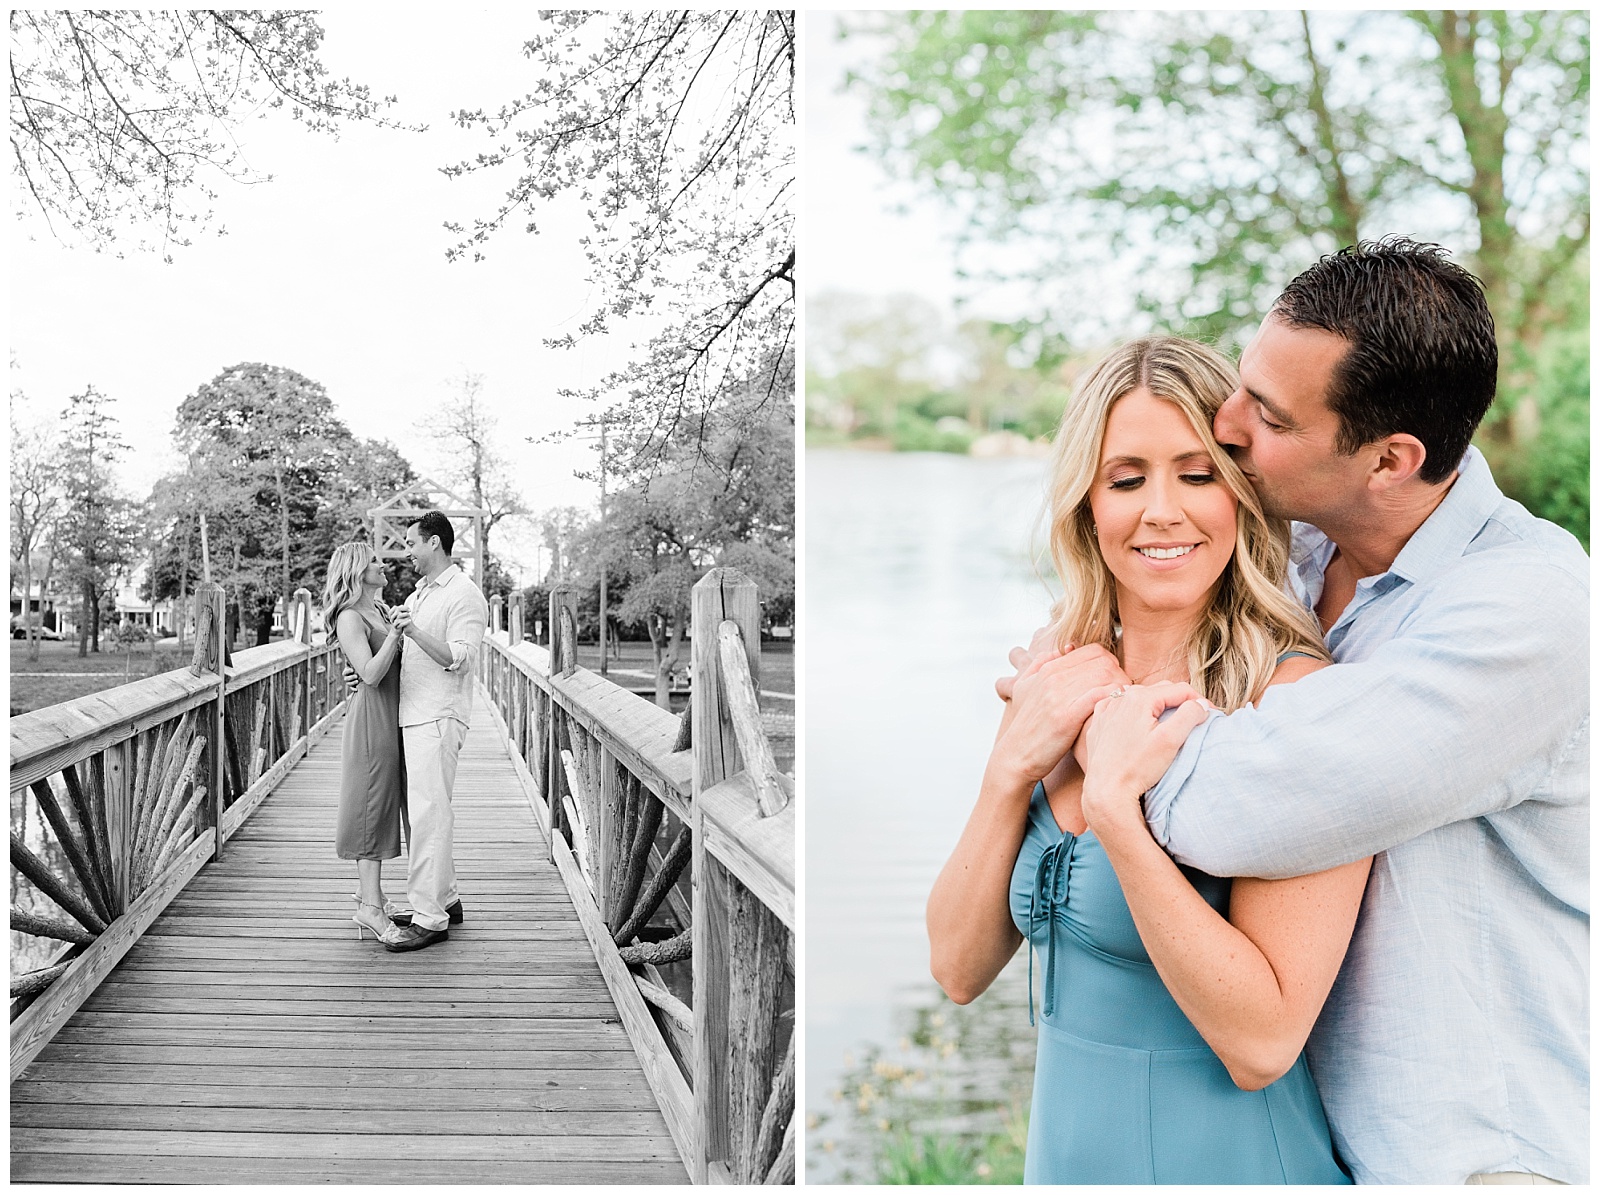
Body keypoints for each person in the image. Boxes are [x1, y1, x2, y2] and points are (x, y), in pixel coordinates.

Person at [997, 239, 1588, 1184]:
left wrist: (1089, 714)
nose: (1228, 422)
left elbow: (1252, 799)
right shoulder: (1301, 560)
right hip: (1315, 1136)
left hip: (1469, 1157)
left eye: (1266, 413)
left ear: (1391, 460)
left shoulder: (1526, 611)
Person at [929, 336, 1367, 1183]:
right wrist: (1008, 768)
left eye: (1198, 475)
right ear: (1087, 503)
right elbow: (956, 967)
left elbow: (1264, 1042)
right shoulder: (1060, 675)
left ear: (1243, 494)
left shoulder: (1296, 702)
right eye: (1127, 478)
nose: (1162, 509)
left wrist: (1118, 821)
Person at [375, 510, 489, 954]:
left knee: (428, 815)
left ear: (435, 543)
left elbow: (459, 656)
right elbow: (414, 650)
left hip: (438, 716)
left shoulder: (464, 595)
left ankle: (429, 918)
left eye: (412, 543)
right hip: (414, 712)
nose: (408, 552)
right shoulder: (424, 591)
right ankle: (446, 897)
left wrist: (415, 630)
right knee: (424, 811)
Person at [323, 542, 408, 944]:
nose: (383, 564)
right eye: (374, 560)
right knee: (371, 805)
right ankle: (370, 909)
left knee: (381, 803)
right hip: (372, 720)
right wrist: (393, 635)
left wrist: (392, 632)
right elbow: (371, 674)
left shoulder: (380, 610)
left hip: (391, 715)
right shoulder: (350, 617)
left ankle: (371, 893)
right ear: (358, 570)